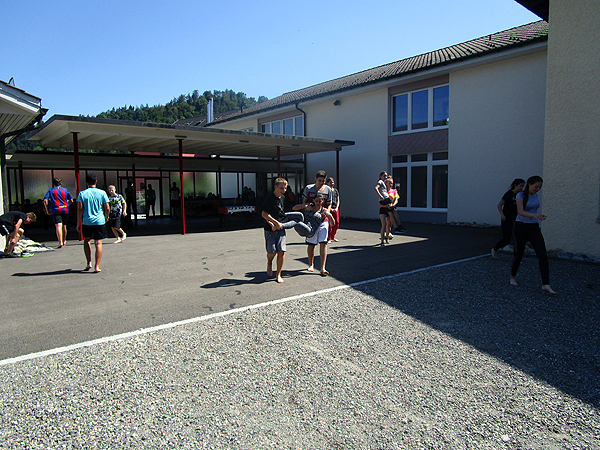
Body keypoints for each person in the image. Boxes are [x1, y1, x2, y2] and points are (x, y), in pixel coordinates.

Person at [510, 175, 556, 295]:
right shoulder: (520, 195)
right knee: (519, 254)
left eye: (540, 187)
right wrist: (535, 215)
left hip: (533, 227)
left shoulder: (535, 195)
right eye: (536, 187)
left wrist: (536, 217)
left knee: (542, 254)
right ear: (529, 184)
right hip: (520, 227)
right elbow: (520, 211)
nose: (538, 189)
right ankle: (513, 276)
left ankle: (546, 284)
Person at [76, 174, 110, 273]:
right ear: (96, 182)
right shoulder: (102, 193)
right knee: (98, 243)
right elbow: (107, 207)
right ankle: (97, 266)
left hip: (87, 221)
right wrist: (106, 216)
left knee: (86, 241)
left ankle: (88, 263)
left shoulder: (82, 194)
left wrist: (78, 222)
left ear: (86, 182)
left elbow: (80, 209)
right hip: (99, 221)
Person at [302, 170, 333, 275]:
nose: (321, 183)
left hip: (323, 220)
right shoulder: (308, 188)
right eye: (319, 180)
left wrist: (327, 212)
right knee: (311, 243)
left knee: (323, 243)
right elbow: (304, 202)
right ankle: (311, 264)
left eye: (323, 181)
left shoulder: (328, 189)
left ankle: (323, 267)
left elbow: (329, 203)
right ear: (316, 179)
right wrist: (307, 207)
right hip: (311, 219)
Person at [261, 177, 289, 283]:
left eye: (285, 188)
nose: (284, 190)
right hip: (270, 229)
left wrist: (285, 222)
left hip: (281, 228)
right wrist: (274, 222)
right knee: (272, 252)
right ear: (275, 187)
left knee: (281, 250)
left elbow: (282, 213)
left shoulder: (283, 198)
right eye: (281, 188)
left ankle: (278, 274)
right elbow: (264, 214)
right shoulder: (269, 198)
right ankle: (269, 263)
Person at [491, 178, 525, 259]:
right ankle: (494, 249)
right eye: (520, 186)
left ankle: (517, 256)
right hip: (507, 218)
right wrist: (502, 214)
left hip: (516, 218)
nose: (521, 188)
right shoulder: (509, 194)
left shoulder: (520, 195)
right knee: (506, 238)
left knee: (517, 237)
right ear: (515, 185)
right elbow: (499, 205)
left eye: (523, 186)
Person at [43, 177, 73, 248]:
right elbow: (71, 200)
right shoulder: (65, 190)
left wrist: (47, 210)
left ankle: (60, 242)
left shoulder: (51, 190)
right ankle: (64, 240)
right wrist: (67, 205)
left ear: (53, 184)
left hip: (56, 209)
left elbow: (45, 201)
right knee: (64, 225)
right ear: (61, 184)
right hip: (65, 209)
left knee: (58, 225)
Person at [375, 172, 398, 247]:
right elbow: (376, 188)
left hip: (388, 206)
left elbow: (396, 199)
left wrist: (392, 205)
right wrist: (380, 196)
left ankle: (387, 236)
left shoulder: (390, 190)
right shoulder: (381, 184)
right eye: (384, 176)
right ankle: (382, 241)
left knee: (389, 225)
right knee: (384, 225)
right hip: (383, 208)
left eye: (386, 176)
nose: (385, 177)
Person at [326, 177, 340, 242]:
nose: (332, 184)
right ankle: (328, 238)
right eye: (331, 182)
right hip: (329, 209)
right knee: (329, 224)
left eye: (333, 182)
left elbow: (338, 199)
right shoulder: (327, 191)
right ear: (327, 183)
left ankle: (333, 236)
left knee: (336, 223)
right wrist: (330, 209)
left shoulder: (335, 191)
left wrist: (336, 207)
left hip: (335, 208)